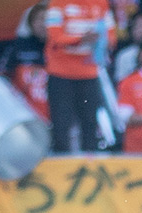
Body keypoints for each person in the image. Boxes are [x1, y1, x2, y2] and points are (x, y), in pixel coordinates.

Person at [44, 0, 116, 152]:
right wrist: (81, 39)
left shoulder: (101, 3)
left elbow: (111, 36)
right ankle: (62, 163)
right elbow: (55, 36)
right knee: (61, 126)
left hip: (89, 74)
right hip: (61, 74)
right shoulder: (57, 3)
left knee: (90, 125)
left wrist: (101, 40)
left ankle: (88, 163)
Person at [0, 1, 50, 120]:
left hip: (54, 114)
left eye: (47, 19)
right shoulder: (18, 46)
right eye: (39, 19)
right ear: (31, 23)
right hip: (22, 113)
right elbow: (2, 76)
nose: (43, 24)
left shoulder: (61, 49)